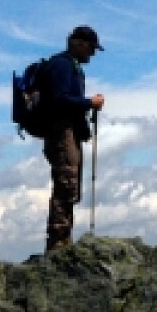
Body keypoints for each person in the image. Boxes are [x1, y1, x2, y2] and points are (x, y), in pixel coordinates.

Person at [41, 26, 105, 251]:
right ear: (79, 44)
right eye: (91, 48)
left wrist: (83, 125)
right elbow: (59, 99)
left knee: (69, 182)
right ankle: (58, 240)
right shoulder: (62, 65)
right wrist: (89, 103)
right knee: (66, 183)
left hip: (66, 130)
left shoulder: (68, 65)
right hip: (61, 132)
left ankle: (62, 237)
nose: (92, 54)